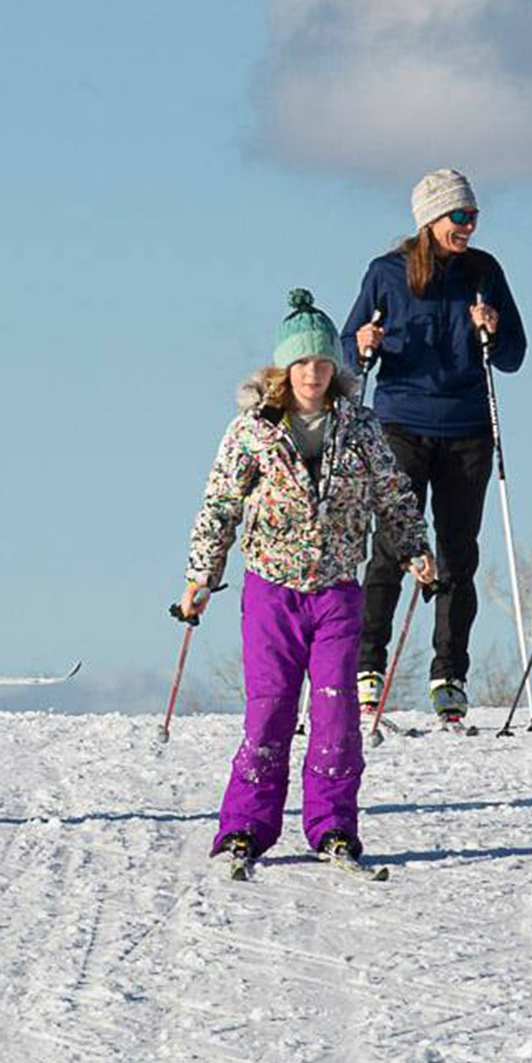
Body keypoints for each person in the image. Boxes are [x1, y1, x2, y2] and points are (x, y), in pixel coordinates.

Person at [182, 290, 433, 873]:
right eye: (302, 364)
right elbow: (220, 505)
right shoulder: (253, 430)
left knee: (336, 711)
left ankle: (334, 826)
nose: (313, 375)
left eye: (322, 363)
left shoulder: (361, 428)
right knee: (269, 710)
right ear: (283, 369)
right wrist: (200, 577)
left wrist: (418, 550)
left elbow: (394, 495)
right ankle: (245, 826)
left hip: (338, 589)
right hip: (272, 588)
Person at [340, 168, 526, 724]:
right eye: (459, 217)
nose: (468, 226)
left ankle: (449, 673)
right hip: (400, 424)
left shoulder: (483, 272)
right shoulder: (387, 274)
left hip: (467, 430)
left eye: (473, 216)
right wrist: (362, 342)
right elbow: (347, 353)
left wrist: (490, 325)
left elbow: (513, 353)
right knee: (394, 547)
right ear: (429, 220)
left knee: (457, 553)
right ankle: (367, 664)